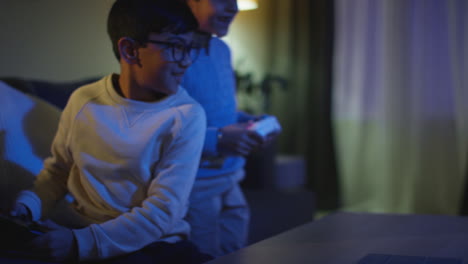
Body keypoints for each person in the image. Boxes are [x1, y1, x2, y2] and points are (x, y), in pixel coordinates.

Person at [8, 0, 209, 262]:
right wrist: (30, 206)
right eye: (174, 47)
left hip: (153, 243)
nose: (186, 61)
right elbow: (58, 171)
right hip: (82, 230)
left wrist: (80, 243)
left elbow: (162, 211)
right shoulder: (84, 101)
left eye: (189, 48)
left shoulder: (186, 116)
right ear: (129, 50)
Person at [181, 0, 280, 257]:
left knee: (236, 248)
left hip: (232, 176)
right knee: (205, 253)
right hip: (195, 184)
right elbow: (164, 125)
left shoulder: (222, 50)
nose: (233, 7)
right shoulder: (173, 54)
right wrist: (217, 138)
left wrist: (248, 121)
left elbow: (221, 110)